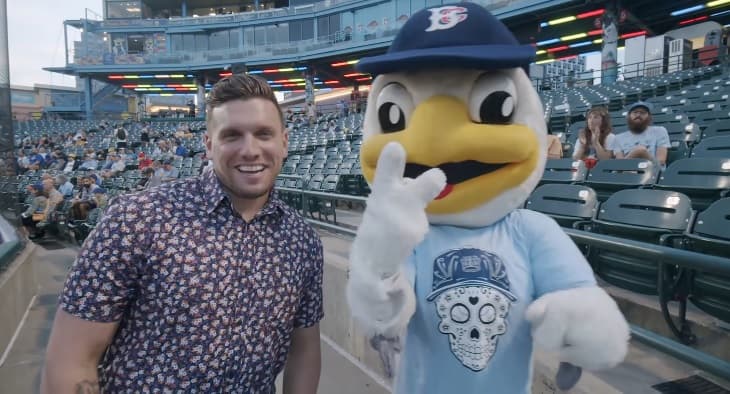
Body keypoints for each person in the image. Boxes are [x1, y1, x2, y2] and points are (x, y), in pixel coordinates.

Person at [42, 74, 324, 393]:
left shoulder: (302, 241)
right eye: (231, 135)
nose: (250, 150)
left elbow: (304, 350)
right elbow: (71, 360)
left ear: (284, 142)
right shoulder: (136, 218)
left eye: (264, 134)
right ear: (208, 145)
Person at [612, 101, 671, 169]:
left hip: (652, 172)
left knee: (641, 150)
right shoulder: (618, 138)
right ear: (628, 116)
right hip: (627, 172)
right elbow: (619, 164)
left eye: (642, 113)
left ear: (649, 117)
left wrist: (641, 152)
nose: (638, 115)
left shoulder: (659, 131)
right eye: (635, 112)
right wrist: (638, 152)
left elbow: (661, 161)